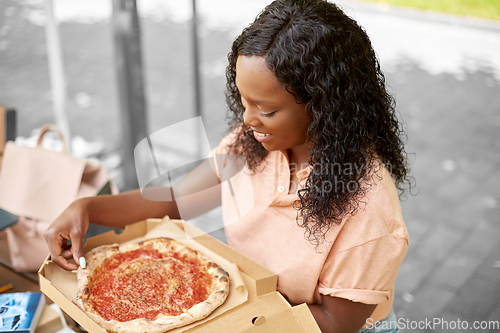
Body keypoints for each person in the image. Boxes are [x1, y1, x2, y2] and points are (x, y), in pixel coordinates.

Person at [44, 0, 412, 332]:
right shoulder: (252, 144)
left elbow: (334, 323)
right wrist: (87, 208)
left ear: (325, 105)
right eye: (243, 101)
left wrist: (229, 315)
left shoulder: (369, 210)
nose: (248, 120)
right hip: (251, 309)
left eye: (266, 109)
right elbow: (175, 199)